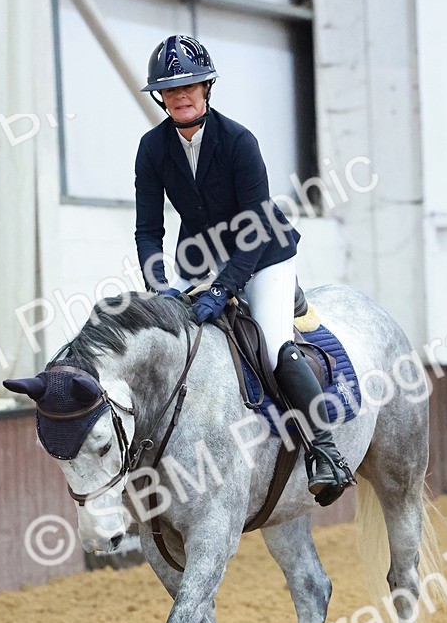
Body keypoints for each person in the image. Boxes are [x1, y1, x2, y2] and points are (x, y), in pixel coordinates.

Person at [134, 33, 354, 507]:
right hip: (200, 260)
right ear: (160, 97)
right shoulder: (151, 149)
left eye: (190, 86)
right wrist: (160, 287)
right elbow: (147, 231)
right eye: (171, 90)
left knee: (274, 346)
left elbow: (253, 230)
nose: (181, 96)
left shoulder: (238, 141)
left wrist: (225, 289)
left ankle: (325, 450)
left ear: (207, 87)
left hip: (265, 255)